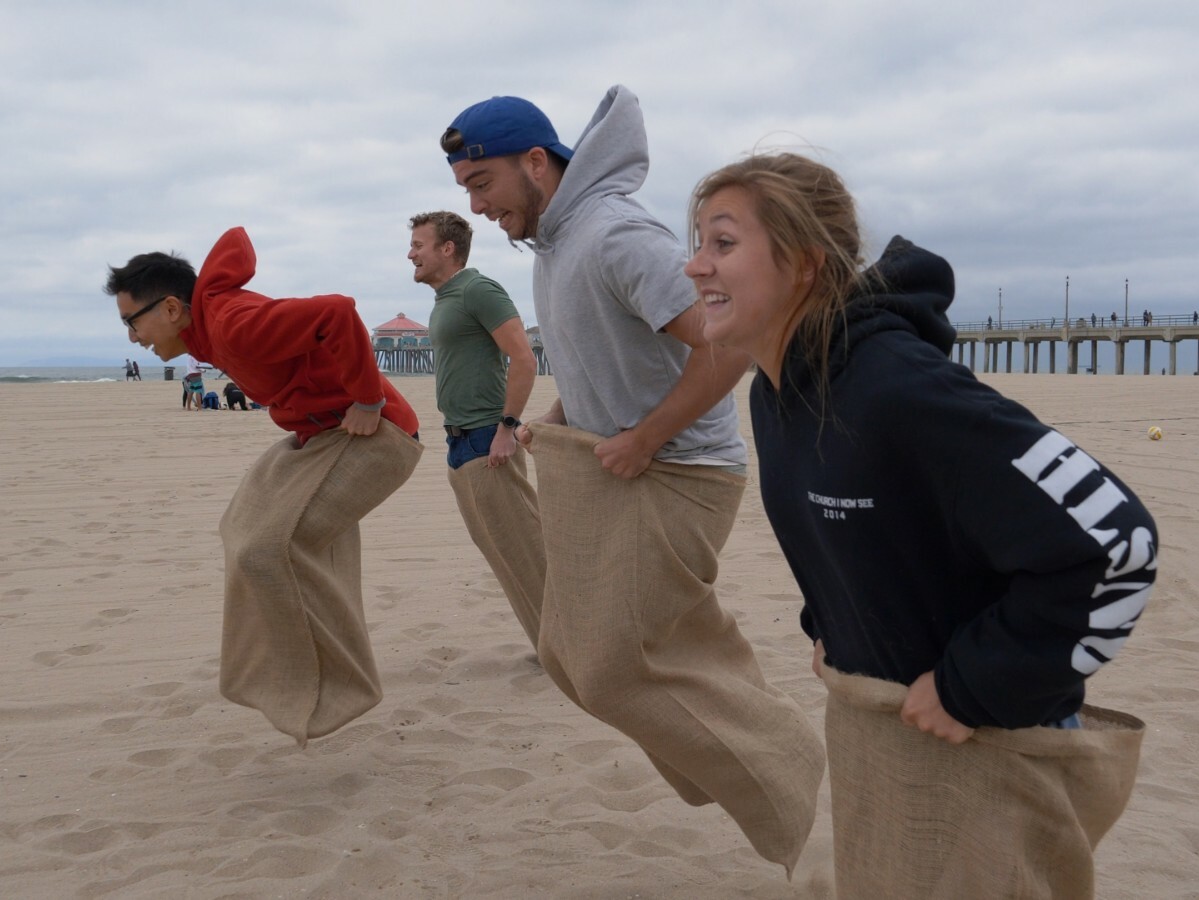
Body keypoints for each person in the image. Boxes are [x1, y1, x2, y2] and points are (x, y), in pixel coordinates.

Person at [684, 152, 1157, 897]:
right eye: (698, 243)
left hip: (990, 744)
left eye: (722, 243)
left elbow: (1114, 541)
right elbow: (854, 532)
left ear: (803, 264)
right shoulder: (775, 394)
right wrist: (831, 627)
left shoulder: (892, 385)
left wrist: (973, 685)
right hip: (885, 738)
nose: (694, 267)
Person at [442, 88, 823, 872]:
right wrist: (552, 415)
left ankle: (798, 787)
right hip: (629, 470)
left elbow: (729, 345)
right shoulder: (559, 246)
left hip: (684, 472)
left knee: (612, 664)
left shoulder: (615, 235)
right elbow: (608, 360)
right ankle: (767, 752)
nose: (477, 208)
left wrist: (645, 437)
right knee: (570, 652)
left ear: (535, 164)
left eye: (482, 185)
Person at [106, 227, 422, 747]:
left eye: (130, 322)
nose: (131, 338)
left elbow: (337, 312)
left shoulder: (232, 324)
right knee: (238, 528)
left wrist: (368, 399)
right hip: (320, 436)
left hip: (377, 437)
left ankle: (339, 684)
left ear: (168, 309)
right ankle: (266, 674)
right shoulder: (209, 329)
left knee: (268, 548)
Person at [408, 210, 545, 646]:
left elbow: (524, 359)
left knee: (527, 552)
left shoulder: (478, 290)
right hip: (459, 443)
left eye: (418, 245)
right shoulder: (446, 298)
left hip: (488, 439)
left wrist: (507, 428)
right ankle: (548, 644)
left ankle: (571, 647)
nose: (410, 253)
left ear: (447, 249)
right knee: (504, 554)